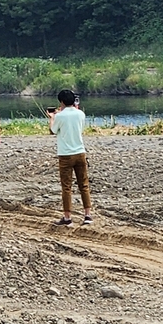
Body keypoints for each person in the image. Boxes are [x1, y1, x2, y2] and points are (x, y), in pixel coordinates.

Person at [48, 88, 93, 225]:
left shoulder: (60, 116)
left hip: (65, 154)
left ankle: (67, 217)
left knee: (66, 187)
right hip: (80, 152)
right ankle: (87, 215)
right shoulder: (80, 114)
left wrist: (52, 118)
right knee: (84, 184)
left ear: (61, 101)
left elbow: (53, 131)